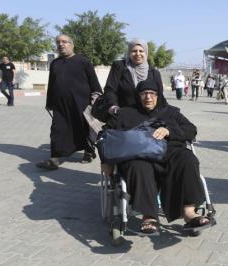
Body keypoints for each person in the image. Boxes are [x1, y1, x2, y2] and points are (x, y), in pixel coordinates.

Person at [101, 80, 212, 235]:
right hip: (140, 156)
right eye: (144, 93)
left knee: (188, 159)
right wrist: (106, 161)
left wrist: (169, 131)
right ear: (137, 96)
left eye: (152, 93)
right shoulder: (125, 114)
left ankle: (189, 212)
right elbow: (105, 136)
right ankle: (149, 216)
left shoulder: (170, 112)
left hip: (170, 154)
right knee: (138, 166)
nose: (148, 97)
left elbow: (191, 130)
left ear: (158, 95)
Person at [36, 34, 102, 170]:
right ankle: (54, 159)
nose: (61, 44)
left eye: (64, 42)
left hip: (81, 104)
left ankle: (89, 151)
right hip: (60, 106)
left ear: (72, 45)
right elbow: (52, 84)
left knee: (83, 130)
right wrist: (49, 102)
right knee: (56, 130)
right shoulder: (55, 63)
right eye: (58, 42)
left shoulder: (83, 62)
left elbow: (94, 82)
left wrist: (97, 100)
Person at [104, 38, 164, 115]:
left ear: (146, 53)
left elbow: (159, 95)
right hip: (124, 114)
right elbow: (110, 89)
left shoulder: (154, 72)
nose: (138, 54)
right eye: (134, 51)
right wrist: (113, 106)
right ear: (129, 52)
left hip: (147, 115)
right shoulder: (120, 67)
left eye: (141, 51)